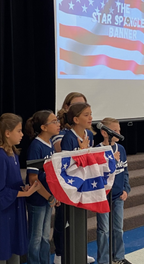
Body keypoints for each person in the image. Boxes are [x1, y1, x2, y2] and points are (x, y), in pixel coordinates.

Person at [0, 113, 41, 264]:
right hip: (5, 208)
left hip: (15, 204)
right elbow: (0, 190)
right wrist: (24, 193)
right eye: (18, 130)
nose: (22, 134)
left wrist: (24, 189)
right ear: (7, 133)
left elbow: (13, 181)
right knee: (4, 244)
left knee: (14, 242)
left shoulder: (13, 153)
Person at [56, 102, 96, 264]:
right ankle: (60, 253)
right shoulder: (68, 137)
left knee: (81, 218)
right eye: (86, 115)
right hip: (70, 185)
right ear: (76, 119)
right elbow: (67, 165)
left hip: (84, 184)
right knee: (64, 220)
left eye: (91, 114)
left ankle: (80, 249)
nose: (90, 118)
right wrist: (81, 151)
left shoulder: (90, 135)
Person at [24, 110, 61, 264]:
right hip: (38, 199)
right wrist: (49, 197)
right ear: (44, 127)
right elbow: (33, 179)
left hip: (47, 198)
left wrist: (54, 195)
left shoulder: (50, 144)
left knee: (46, 235)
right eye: (54, 121)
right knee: (36, 236)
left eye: (57, 120)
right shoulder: (36, 146)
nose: (58, 124)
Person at [95, 117, 131, 264]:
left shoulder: (121, 149)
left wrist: (126, 189)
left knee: (118, 228)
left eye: (119, 130)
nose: (118, 133)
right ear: (105, 132)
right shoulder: (97, 150)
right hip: (104, 196)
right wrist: (110, 160)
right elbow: (96, 172)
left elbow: (125, 171)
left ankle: (119, 257)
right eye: (115, 131)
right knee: (103, 230)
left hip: (118, 195)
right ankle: (103, 260)